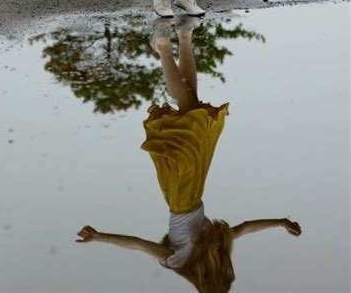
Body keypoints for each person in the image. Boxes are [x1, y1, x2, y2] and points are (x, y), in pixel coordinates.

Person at [76, 18, 301, 293]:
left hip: (182, 194)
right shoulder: (216, 245)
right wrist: (280, 222)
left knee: (191, 111)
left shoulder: (178, 260)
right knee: (193, 109)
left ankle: (165, 46)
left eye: (221, 276)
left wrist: (99, 236)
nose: (225, 270)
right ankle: (183, 37)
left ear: (208, 280)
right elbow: (246, 228)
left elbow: (137, 244)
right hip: (193, 190)